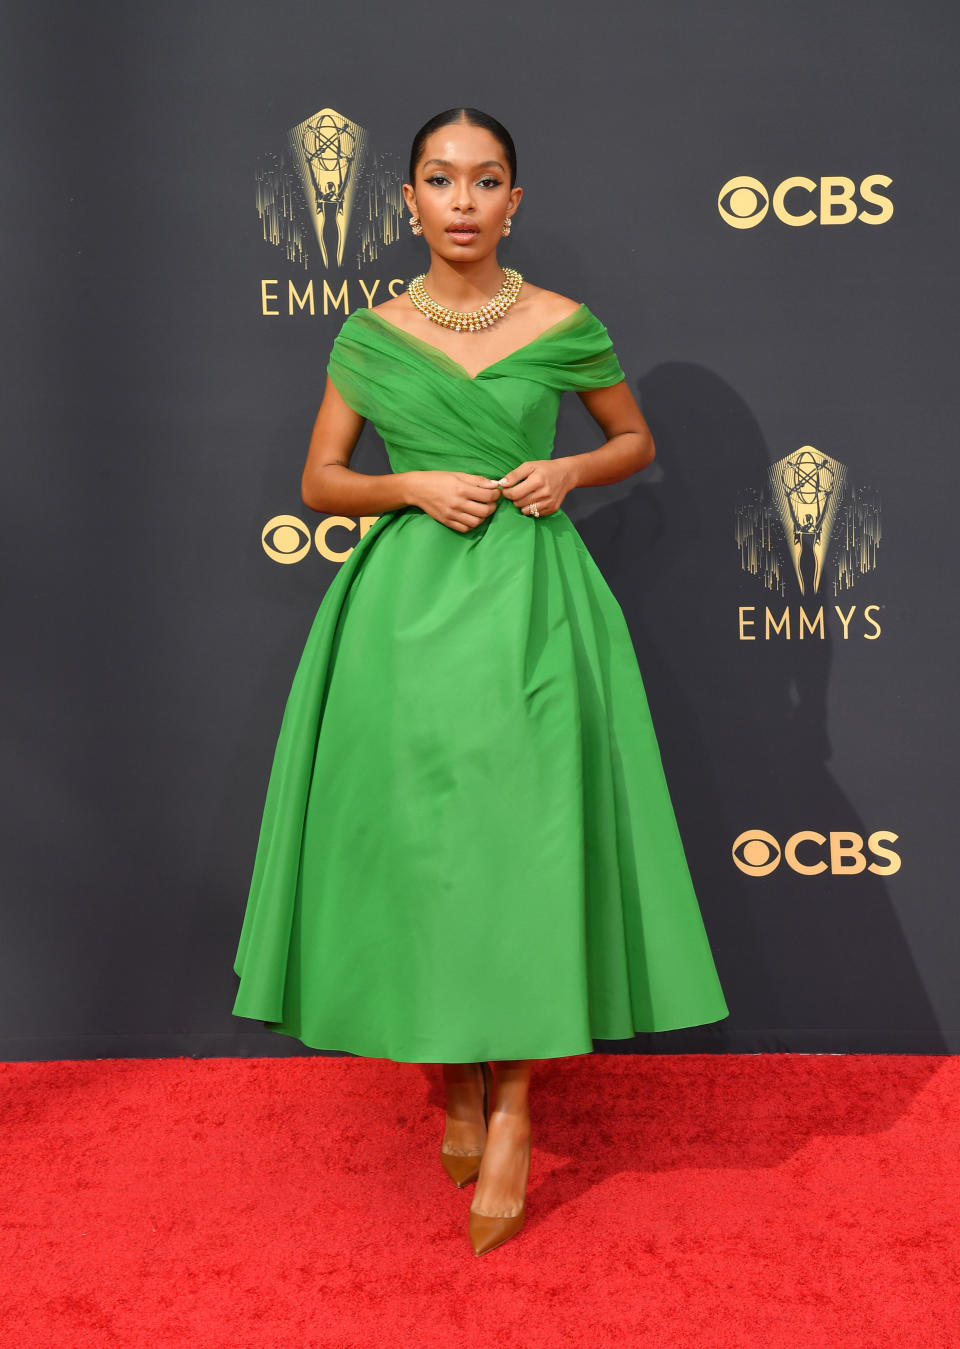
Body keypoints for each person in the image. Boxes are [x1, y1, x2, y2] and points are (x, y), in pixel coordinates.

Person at [232, 107, 729, 1257]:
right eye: (440, 179)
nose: (463, 200)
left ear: (517, 200)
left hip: (529, 610)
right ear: (406, 199)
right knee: (428, 851)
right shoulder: (367, 334)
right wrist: (410, 489)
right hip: (402, 623)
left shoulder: (562, 326)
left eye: (486, 179)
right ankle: (454, 1076)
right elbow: (321, 479)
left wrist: (568, 465)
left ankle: (513, 1111)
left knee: (519, 850)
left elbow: (632, 441)